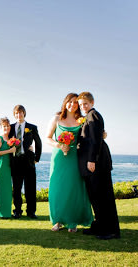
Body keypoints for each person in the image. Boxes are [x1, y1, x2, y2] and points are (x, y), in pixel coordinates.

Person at [45, 93, 93, 233]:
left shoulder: (81, 120)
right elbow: (47, 138)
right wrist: (59, 145)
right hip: (59, 158)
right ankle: (58, 220)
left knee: (73, 189)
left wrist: (102, 133)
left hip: (74, 158)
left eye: (75, 102)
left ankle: (73, 221)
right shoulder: (56, 118)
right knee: (58, 188)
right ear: (65, 103)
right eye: (70, 102)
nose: (72, 105)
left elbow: (90, 135)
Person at [77, 92, 120, 240]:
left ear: (92, 102)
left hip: (97, 162)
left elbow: (95, 140)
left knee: (103, 197)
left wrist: (92, 160)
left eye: (85, 104)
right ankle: (99, 226)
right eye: (81, 104)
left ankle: (111, 231)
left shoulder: (93, 115)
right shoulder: (88, 116)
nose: (83, 106)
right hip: (92, 162)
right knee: (95, 197)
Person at [9, 105, 42, 219]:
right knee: (17, 188)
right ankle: (17, 211)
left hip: (28, 160)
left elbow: (38, 143)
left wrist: (37, 158)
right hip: (15, 161)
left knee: (30, 187)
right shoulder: (10, 127)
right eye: (17, 113)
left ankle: (31, 211)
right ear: (14, 114)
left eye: (21, 112)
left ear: (24, 113)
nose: (19, 115)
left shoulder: (32, 127)